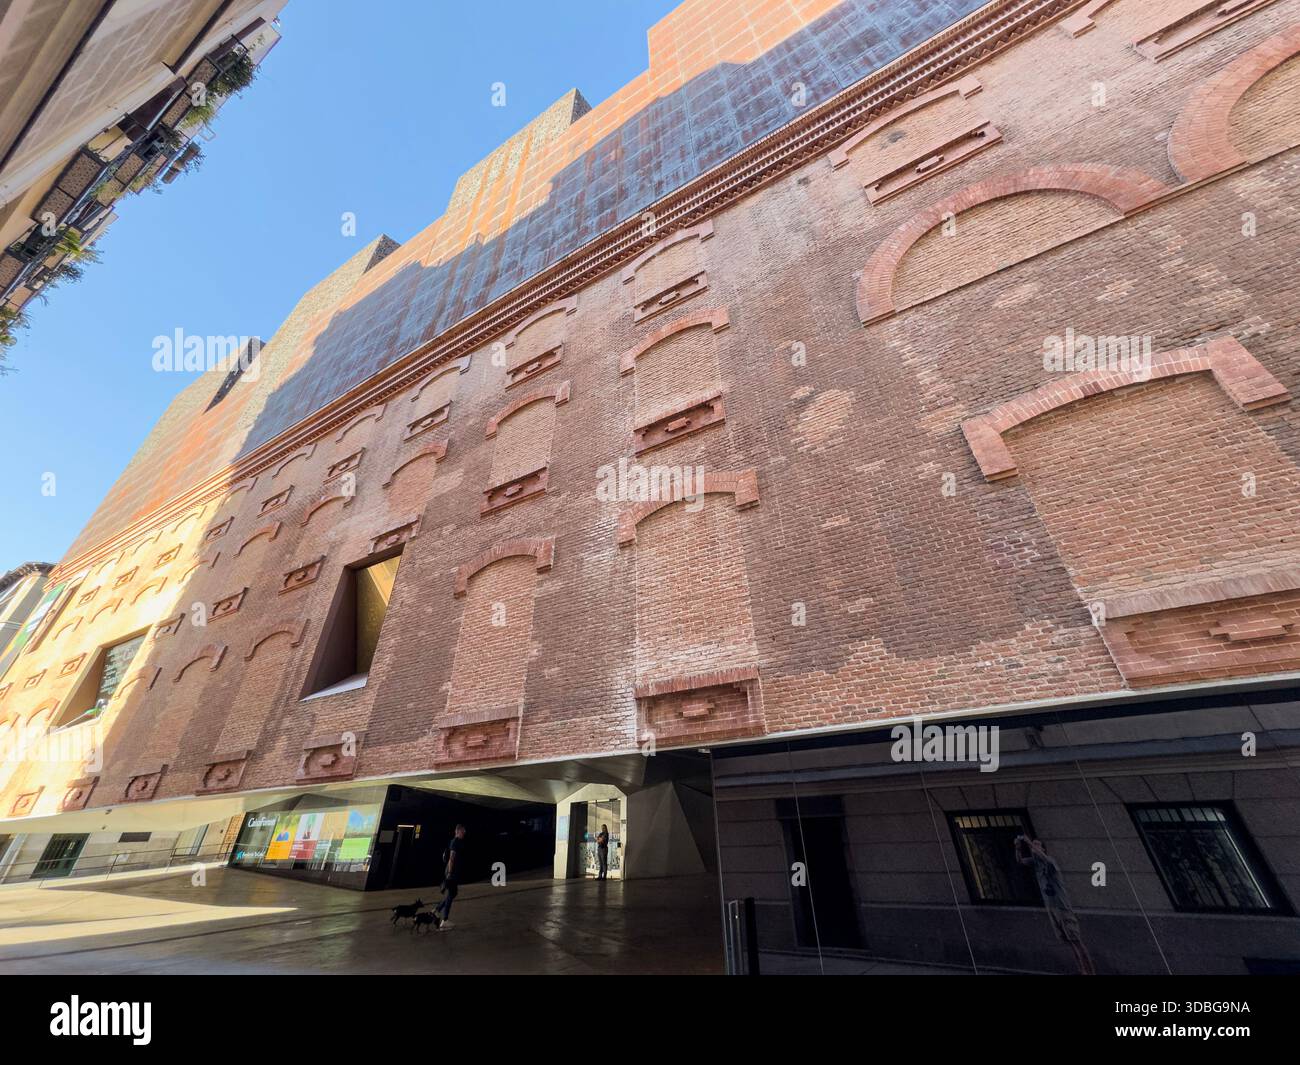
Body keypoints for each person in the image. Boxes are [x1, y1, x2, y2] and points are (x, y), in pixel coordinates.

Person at [1015, 832, 1095, 975]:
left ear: (1043, 849)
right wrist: (1018, 848)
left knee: (1077, 941)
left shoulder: (1050, 862)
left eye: (1038, 844)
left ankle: (1090, 972)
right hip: (1052, 909)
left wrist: (1029, 843)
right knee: (1070, 943)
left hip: (1062, 908)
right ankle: (1082, 970)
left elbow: (1045, 858)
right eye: (1034, 844)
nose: (1035, 847)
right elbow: (1020, 861)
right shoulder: (1036, 864)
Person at [434, 824, 466, 929]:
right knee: (451, 894)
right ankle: (445, 920)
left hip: (453, 873)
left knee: (452, 894)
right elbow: (451, 858)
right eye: (463, 831)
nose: (464, 833)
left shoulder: (457, 842)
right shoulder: (455, 842)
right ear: (457, 831)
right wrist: (449, 873)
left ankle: (437, 910)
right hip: (451, 873)